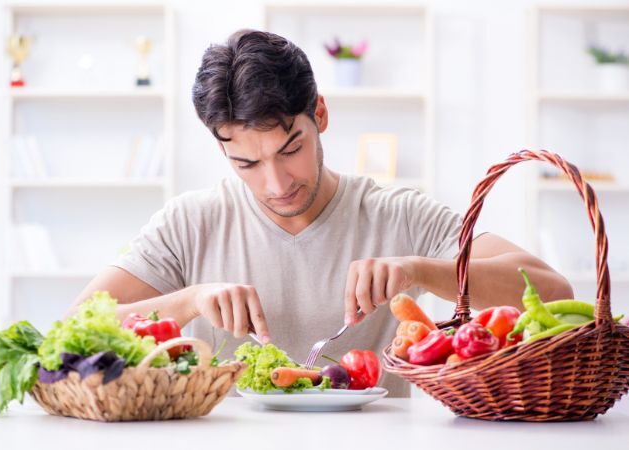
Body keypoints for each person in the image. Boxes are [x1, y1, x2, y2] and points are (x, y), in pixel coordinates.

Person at [65, 30, 572, 396]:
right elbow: (74, 329)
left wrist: (421, 270)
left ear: (320, 115)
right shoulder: (189, 223)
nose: (276, 183)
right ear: (221, 148)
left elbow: (554, 291)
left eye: (291, 149)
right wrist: (190, 301)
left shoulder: (401, 215)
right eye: (246, 162)